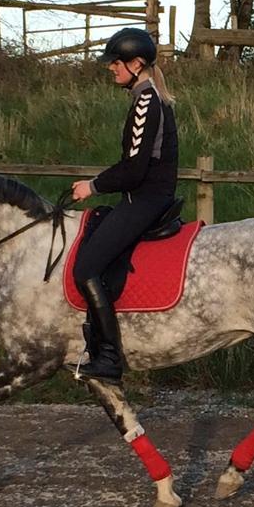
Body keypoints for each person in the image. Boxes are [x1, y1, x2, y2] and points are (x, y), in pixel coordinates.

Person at [69, 27, 179, 382]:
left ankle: (109, 357)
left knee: (85, 268)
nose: (111, 68)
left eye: (117, 62)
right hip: (142, 196)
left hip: (146, 200)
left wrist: (92, 186)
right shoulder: (145, 98)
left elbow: (133, 170)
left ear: (137, 64)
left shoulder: (146, 103)